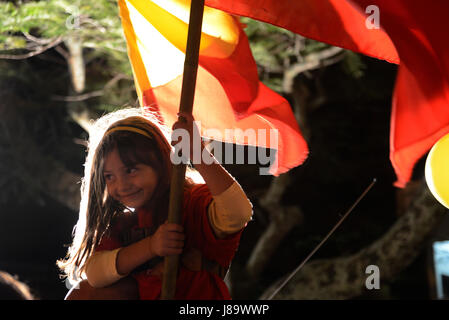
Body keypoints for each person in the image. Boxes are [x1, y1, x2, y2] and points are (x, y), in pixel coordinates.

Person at [58, 108, 253, 300]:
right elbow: (95, 273)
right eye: (109, 176)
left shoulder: (193, 202)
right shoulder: (126, 223)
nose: (122, 185)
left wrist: (197, 152)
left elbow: (238, 213)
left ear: (161, 161)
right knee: (84, 292)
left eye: (131, 170)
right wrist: (151, 247)